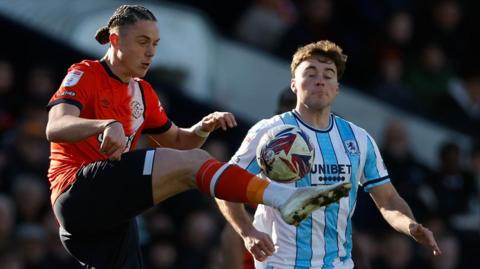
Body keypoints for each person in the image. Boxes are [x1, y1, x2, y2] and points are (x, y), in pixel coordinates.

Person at [44, 5, 351, 269]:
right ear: (115, 40)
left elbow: (178, 142)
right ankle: (283, 198)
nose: (151, 52)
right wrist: (104, 124)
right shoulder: (86, 72)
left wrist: (202, 128)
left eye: (155, 43)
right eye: (142, 42)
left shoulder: (143, 92)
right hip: (76, 190)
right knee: (196, 164)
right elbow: (55, 126)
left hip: (107, 215)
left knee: (194, 162)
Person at [216, 40, 441, 269]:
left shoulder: (358, 139)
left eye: (328, 74)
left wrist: (410, 225)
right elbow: (223, 185)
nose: (320, 80)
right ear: (294, 84)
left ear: (337, 87)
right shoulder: (269, 133)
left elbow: (389, 199)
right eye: (311, 73)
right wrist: (247, 231)